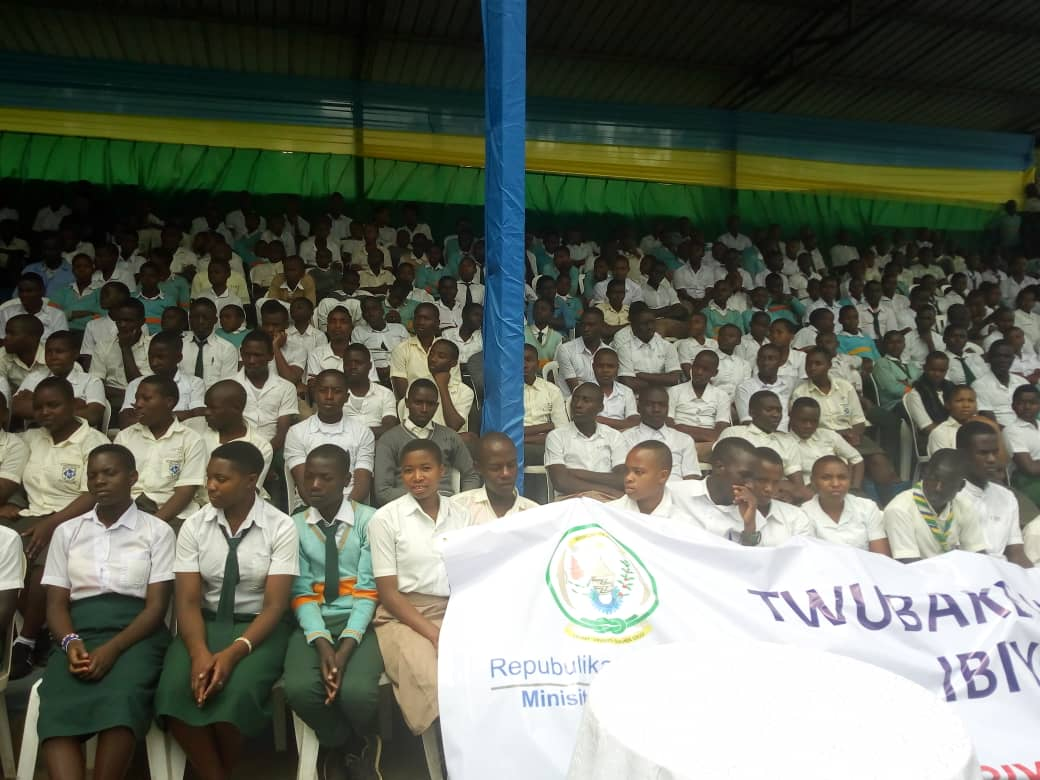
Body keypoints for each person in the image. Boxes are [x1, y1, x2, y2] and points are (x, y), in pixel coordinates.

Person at [154, 442, 299, 779]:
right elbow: (187, 601)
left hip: (258, 630)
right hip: (202, 626)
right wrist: (199, 652)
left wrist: (234, 653)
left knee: (236, 692)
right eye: (209, 478)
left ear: (251, 481)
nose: (211, 486)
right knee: (173, 691)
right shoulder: (195, 525)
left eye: (221, 479)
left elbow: (276, 605)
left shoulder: (280, 527)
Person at [38, 444, 175, 780]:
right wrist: (70, 642)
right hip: (78, 630)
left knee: (122, 698)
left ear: (132, 477)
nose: (99, 481)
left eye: (109, 473)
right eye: (93, 475)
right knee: (57, 705)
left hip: (136, 634)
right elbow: (55, 603)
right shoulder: (68, 532)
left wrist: (113, 649)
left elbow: (156, 608)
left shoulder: (157, 531)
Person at [283, 446, 384, 780]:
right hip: (314, 621)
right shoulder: (294, 526)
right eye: (308, 477)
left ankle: (357, 739)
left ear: (346, 480)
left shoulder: (368, 521)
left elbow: (369, 590)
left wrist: (346, 647)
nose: (313, 484)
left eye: (325, 478)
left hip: (360, 620)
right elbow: (299, 591)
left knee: (358, 693)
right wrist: (324, 643)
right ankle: (344, 743)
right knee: (298, 688)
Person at [1, 377, 110, 678]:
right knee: (7, 553)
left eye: (53, 405)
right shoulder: (30, 439)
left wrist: (52, 523)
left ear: (74, 405)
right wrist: (8, 504)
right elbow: (16, 479)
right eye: (38, 407)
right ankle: (23, 631)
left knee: (43, 556)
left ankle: (26, 640)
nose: (45, 412)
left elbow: (94, 493)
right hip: (31, 514)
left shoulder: (94, 442)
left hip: (76, 518)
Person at [370, 439, 472, 735]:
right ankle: (446, 752)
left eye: (426, 468)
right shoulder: (385, 519)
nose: (417, 477)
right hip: (404, 615)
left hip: (452, 611)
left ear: (442, 470)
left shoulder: (460, 515)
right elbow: (388, 593)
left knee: (478, 670)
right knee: (430, 676)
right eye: (408, 471)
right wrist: (433, 633)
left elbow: (466, 575)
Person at [373, 379, 479, 505]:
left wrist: (462, 504)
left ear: (437, 406)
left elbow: (471, 475)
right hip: (404, 511)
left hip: (449, 510)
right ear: (407, 403)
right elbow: (383, 491)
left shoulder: (450, 436)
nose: (424, 409)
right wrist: (427, 500)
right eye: (418, 402)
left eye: (430, 404)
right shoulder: (389, 440)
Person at [285, 370, 376, 506]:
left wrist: (342, 514)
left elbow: (361, 487)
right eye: (322, 390)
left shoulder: (363, 432)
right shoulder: (296, 432)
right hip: (310, 507)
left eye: (337, 391)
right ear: (315, 394)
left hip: (352, 506)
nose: (329, 396)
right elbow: (304, 486)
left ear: (347, 397)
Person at [882, 449, 987, 562]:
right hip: (918, 575)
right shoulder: (900, 509)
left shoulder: (964, 505)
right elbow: (908, 564)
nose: (938, 488)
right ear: (924, 473)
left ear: (961, 486)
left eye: (947, 483)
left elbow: (978, 554)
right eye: (934, 479)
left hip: (952, 573)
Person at [956, 421, 1032, 567]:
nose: (992, 459)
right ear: (961, 454)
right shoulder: (949, 497)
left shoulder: (1007, 497)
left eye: (995, 452)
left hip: (1003, 577)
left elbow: (1016, 554)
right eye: (983, 453)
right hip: (965, 575)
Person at [544, 382, 627, 499]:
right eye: (575, 399)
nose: (578, 405)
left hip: (608, 501)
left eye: (586, 401)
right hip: (571, 500)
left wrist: (577, 474)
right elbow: (561, 482)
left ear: (600, 407)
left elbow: (622, 479)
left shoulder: (614, 436)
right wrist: (606, 488)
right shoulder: (556, 436)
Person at [197, 381, 273, 503]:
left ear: (236, 408)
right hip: (193, 505)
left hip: (236, 507)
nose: (206, 412)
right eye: (206, 406)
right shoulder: (195, 429)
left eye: (213, 408)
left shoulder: (260, 446)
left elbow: (247, 493)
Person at [14, 330, 106, 429]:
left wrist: (36, 404)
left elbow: (93, 416)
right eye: (49, 351)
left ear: (75, 354)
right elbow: (17, 408)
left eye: (59, 351)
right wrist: (74, 404)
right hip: (38, 436)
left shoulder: (91, 381)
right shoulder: (34, 377)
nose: (53, 356)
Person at [801, 455, 890, 554]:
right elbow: (808, 559)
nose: (835, 484)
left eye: (842, 477)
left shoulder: (867, 507)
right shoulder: (803, 514)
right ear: (813, 481)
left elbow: (881, 557)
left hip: (865, 568)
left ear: (850, 480)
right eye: (826, 478)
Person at [118, 332, 207, 428]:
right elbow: (126, 421)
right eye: (151, 357)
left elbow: (198, 416)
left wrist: (148, 417)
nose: (154, 362)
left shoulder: (195, 383)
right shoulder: (136, 384)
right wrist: (181, 415)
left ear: (178, 358)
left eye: (160, 357)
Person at [452, 433, 539, 523]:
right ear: (478, 468)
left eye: (511, 465)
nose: (506, 474)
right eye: (495, 468)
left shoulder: (535, 514)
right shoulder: (457, 508)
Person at [234, 331, 299, 449]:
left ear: (271, 356)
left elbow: (281, 436)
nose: (251, 360)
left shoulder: (286, 388)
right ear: (241, 353)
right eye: (247, 354)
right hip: (238, 448)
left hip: (273, 447)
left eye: (257, 355)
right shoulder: (230, 385)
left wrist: (264, 455)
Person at [621, 386, 701, 480]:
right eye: (650, 404)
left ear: (668, 408)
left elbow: (692, 477)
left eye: (662, 405)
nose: (656, 409)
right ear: (639, 408)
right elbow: (624, 476)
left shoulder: (684, 440)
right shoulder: (625, 438)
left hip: (678, 492)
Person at [788, 397, 864, 491]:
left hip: (841, 488)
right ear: (791, 416)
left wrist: (855, 488)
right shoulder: (785, 443)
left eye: (814, 421)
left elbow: (857, 459)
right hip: (811, 493)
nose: (809, 425)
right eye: (803, 421)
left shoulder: (828, 435)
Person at [89, 299, 151, 410]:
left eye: (128, 321)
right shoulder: (103, 346)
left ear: (142, 322)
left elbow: (140, 386)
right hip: (111, 404)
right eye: (119, 321)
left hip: (145, 405)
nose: (122, 325)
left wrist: (125, 348)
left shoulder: (152, 347)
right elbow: (95, 386)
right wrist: (127, 394)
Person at [747, 447, 815, 542]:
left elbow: (802, 554)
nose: (769, 489)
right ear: (747, 478)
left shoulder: (796, 517)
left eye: (775, 482)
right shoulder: (727, 515)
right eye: (762, 480)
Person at [617, 307, 683, 394]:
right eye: (644, 323)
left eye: (652, 322)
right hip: (637, 399)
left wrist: (640, 375)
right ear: (633, 327)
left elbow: (674, 379)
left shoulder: (668, 347)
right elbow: (628, 383)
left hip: (665, 398)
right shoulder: (625, 349)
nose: (650, 327)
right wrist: (662, 381)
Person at [180, 298, 240, 389]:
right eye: (195, 317)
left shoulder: (227, 349)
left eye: (205, 317)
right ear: (189, 319)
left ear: (215, 320)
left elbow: (226, 386)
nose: (200, 321)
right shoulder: (178, 345)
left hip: (214, 400)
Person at [734, 344, 793, 430]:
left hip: (785, 438)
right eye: (762, 358)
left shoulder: (788, 384)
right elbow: (746, 422)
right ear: (757, 361)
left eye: (771, 358)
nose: (766, 363)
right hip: (758, 438)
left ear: (780, 362)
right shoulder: (744, 387)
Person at [522, 344, 568, 455]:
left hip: (546, 446)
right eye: (519, 360)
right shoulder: (506, 392)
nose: (524, 365)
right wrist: (548, 426)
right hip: (515, 449)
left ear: (538, 365)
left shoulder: (552, 390)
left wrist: (523, 438)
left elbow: (562, 429)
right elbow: (508, 432)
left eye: (528, 360)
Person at [609, 440, 675, 517]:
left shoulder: (682, 523)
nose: (628, 478)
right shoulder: (607, 513)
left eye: (638, 472)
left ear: (662, 476)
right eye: (626, 470)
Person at [389, 302, 440, 399]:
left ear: (437, 323)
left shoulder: (447, 348)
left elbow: (454, 387)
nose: (420, 322)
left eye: (426, 318)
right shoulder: (400, 350)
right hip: (413, 409)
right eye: (417, 318)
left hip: (444, 406)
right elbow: (401, 395)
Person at [353, 296, 409, 384]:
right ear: (363, 315)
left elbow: (408, 353)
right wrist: (376, 371)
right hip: (373, 376)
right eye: (366, 310)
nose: (370, 313)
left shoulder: (399, 328)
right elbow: (358, 358)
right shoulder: (358, 331)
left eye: (374, 308)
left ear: (382, 311)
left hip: (400, 373)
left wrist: (392, 370)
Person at [974, 340, 1029, 426]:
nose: (1002, 360)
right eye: (998, 356)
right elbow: (989, 421)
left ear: (1013, 359)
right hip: (1001, 433)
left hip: (1029, 429)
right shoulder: (980, 385)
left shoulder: (1022, 382)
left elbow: (1033, 412)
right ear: (989, 358)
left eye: (1007, 356)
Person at [0, 273, 67, 339]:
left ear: (42, 291)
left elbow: (63, 342)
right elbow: (2, 340)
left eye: (29, 291)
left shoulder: (57, 315)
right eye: (21, 291)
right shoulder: (6, 313)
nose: (24, 295)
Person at [904, 351, 953, 438]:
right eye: (933, 370)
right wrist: (956, 435)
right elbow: (927, 428)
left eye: (942, 371)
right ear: (924, 368)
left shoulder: (952, 388)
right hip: (935, 439)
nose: (937, 374)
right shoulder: (915, 394)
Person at [556, 308, 605, 393]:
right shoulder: (566, 349)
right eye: (583, 324)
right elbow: (576, 390)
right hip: (571, 402)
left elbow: (609, 385)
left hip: (600, 401)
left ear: (602, 326)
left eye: (591, 325)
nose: (586, 329)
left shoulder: (608, 352)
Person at [591, 347, 638, 430]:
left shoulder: (626, 391)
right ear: (593, 367)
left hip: (622, 437)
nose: (605, 370)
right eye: (600, 366)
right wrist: (622, 423)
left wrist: (600, 420)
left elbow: (634, 422)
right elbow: (584, 422)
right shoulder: (583, 390)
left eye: (610, 366)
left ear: (617, 368)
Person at [872, 331, 920, 411]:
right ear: (884, 345)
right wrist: (916, 390)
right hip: (894, 405)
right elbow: (893, 388)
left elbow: (923, 382)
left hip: (915, 401)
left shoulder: (910, 364)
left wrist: (906, 383)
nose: (895, 346)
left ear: (904, 345)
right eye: (891, 343)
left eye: (899, 342)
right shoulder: (881, 363)